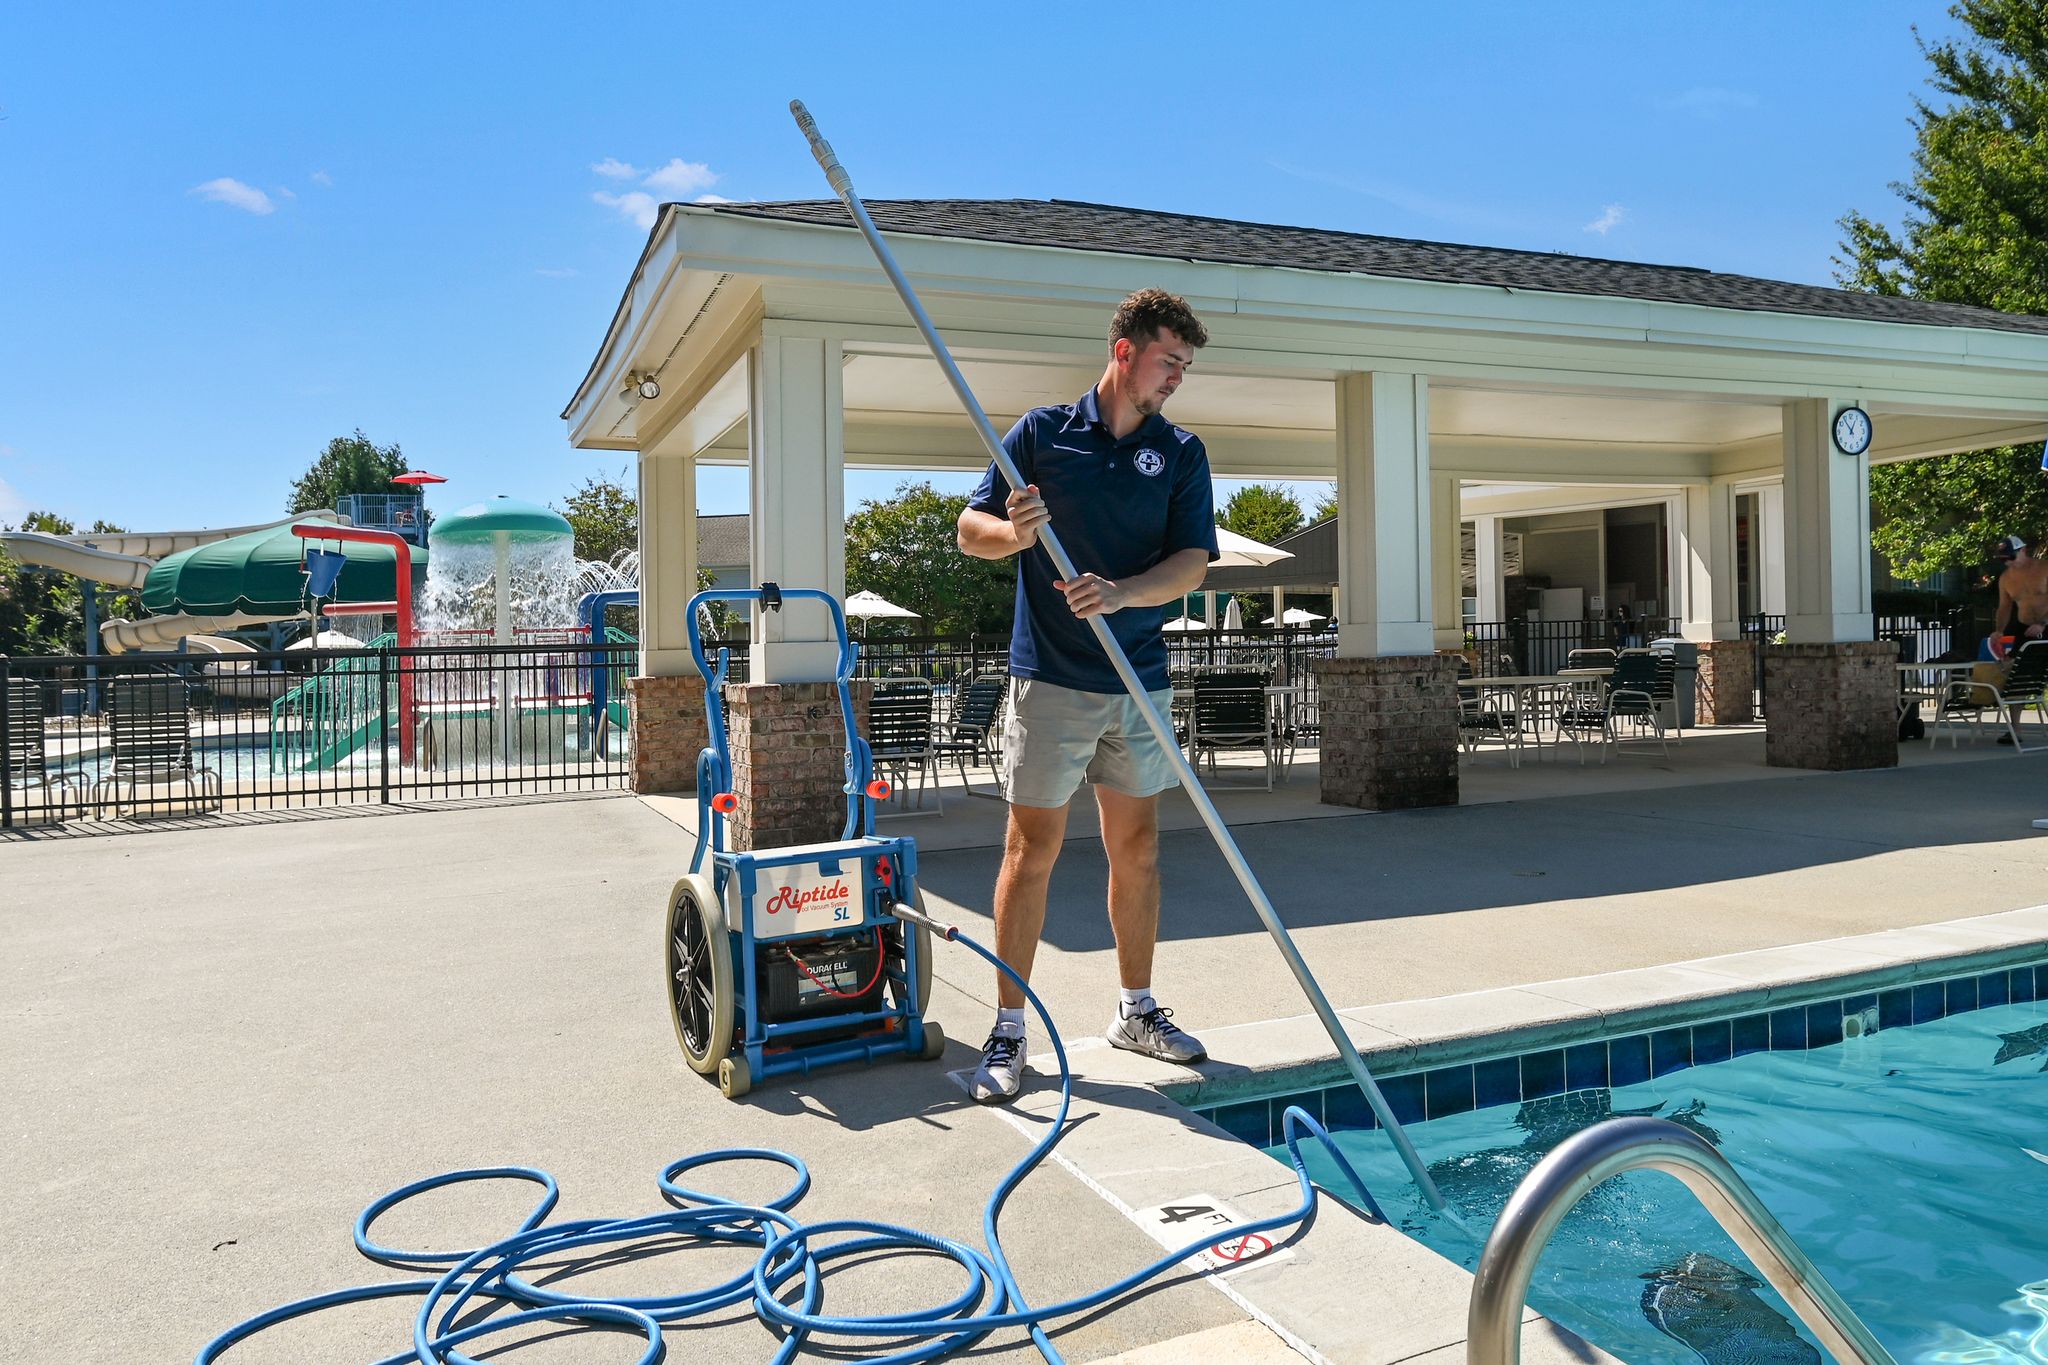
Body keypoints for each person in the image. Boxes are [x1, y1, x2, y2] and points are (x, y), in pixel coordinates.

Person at [954, 288, 1220, 1104]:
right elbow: (972, 531)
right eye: (1169, 359)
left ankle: (1135, 1011)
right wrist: (1018, 533)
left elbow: (1191, 564)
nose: (1177, 376)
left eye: (1184, 365)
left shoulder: (1180, 453)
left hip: (1137, 678)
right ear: (1123, 349)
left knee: (1135, 847)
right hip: (1052, 680)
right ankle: (1007, 1030)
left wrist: (1124, 593)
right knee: (1028, 852)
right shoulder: (1041, 434)